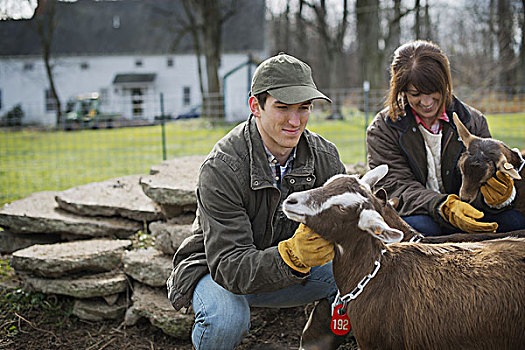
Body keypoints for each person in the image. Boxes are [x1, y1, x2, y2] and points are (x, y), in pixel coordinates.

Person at [167, 53, 347, 349]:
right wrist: (291, 256)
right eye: (283, 107)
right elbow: (229, 265)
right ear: (255, 106)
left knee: (354, 278)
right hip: (217, 271)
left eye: (304, 108)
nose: (295, 120)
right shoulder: (222, 167)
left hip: (288, 267)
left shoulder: (324, 158)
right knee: (225, 319)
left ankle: (317, 347)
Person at [367, 40, 525, 236]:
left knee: (515, 222)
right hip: (419, 212)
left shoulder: (472, 121)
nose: (426, 102)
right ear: (402, 90)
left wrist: (496, 199)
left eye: (433, 92)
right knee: (425, 229)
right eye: (415, 94)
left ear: (445, 84)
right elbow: (395, 185)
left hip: (469, 210)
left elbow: (485, 179)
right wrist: (442, 206)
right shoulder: (383, 128)